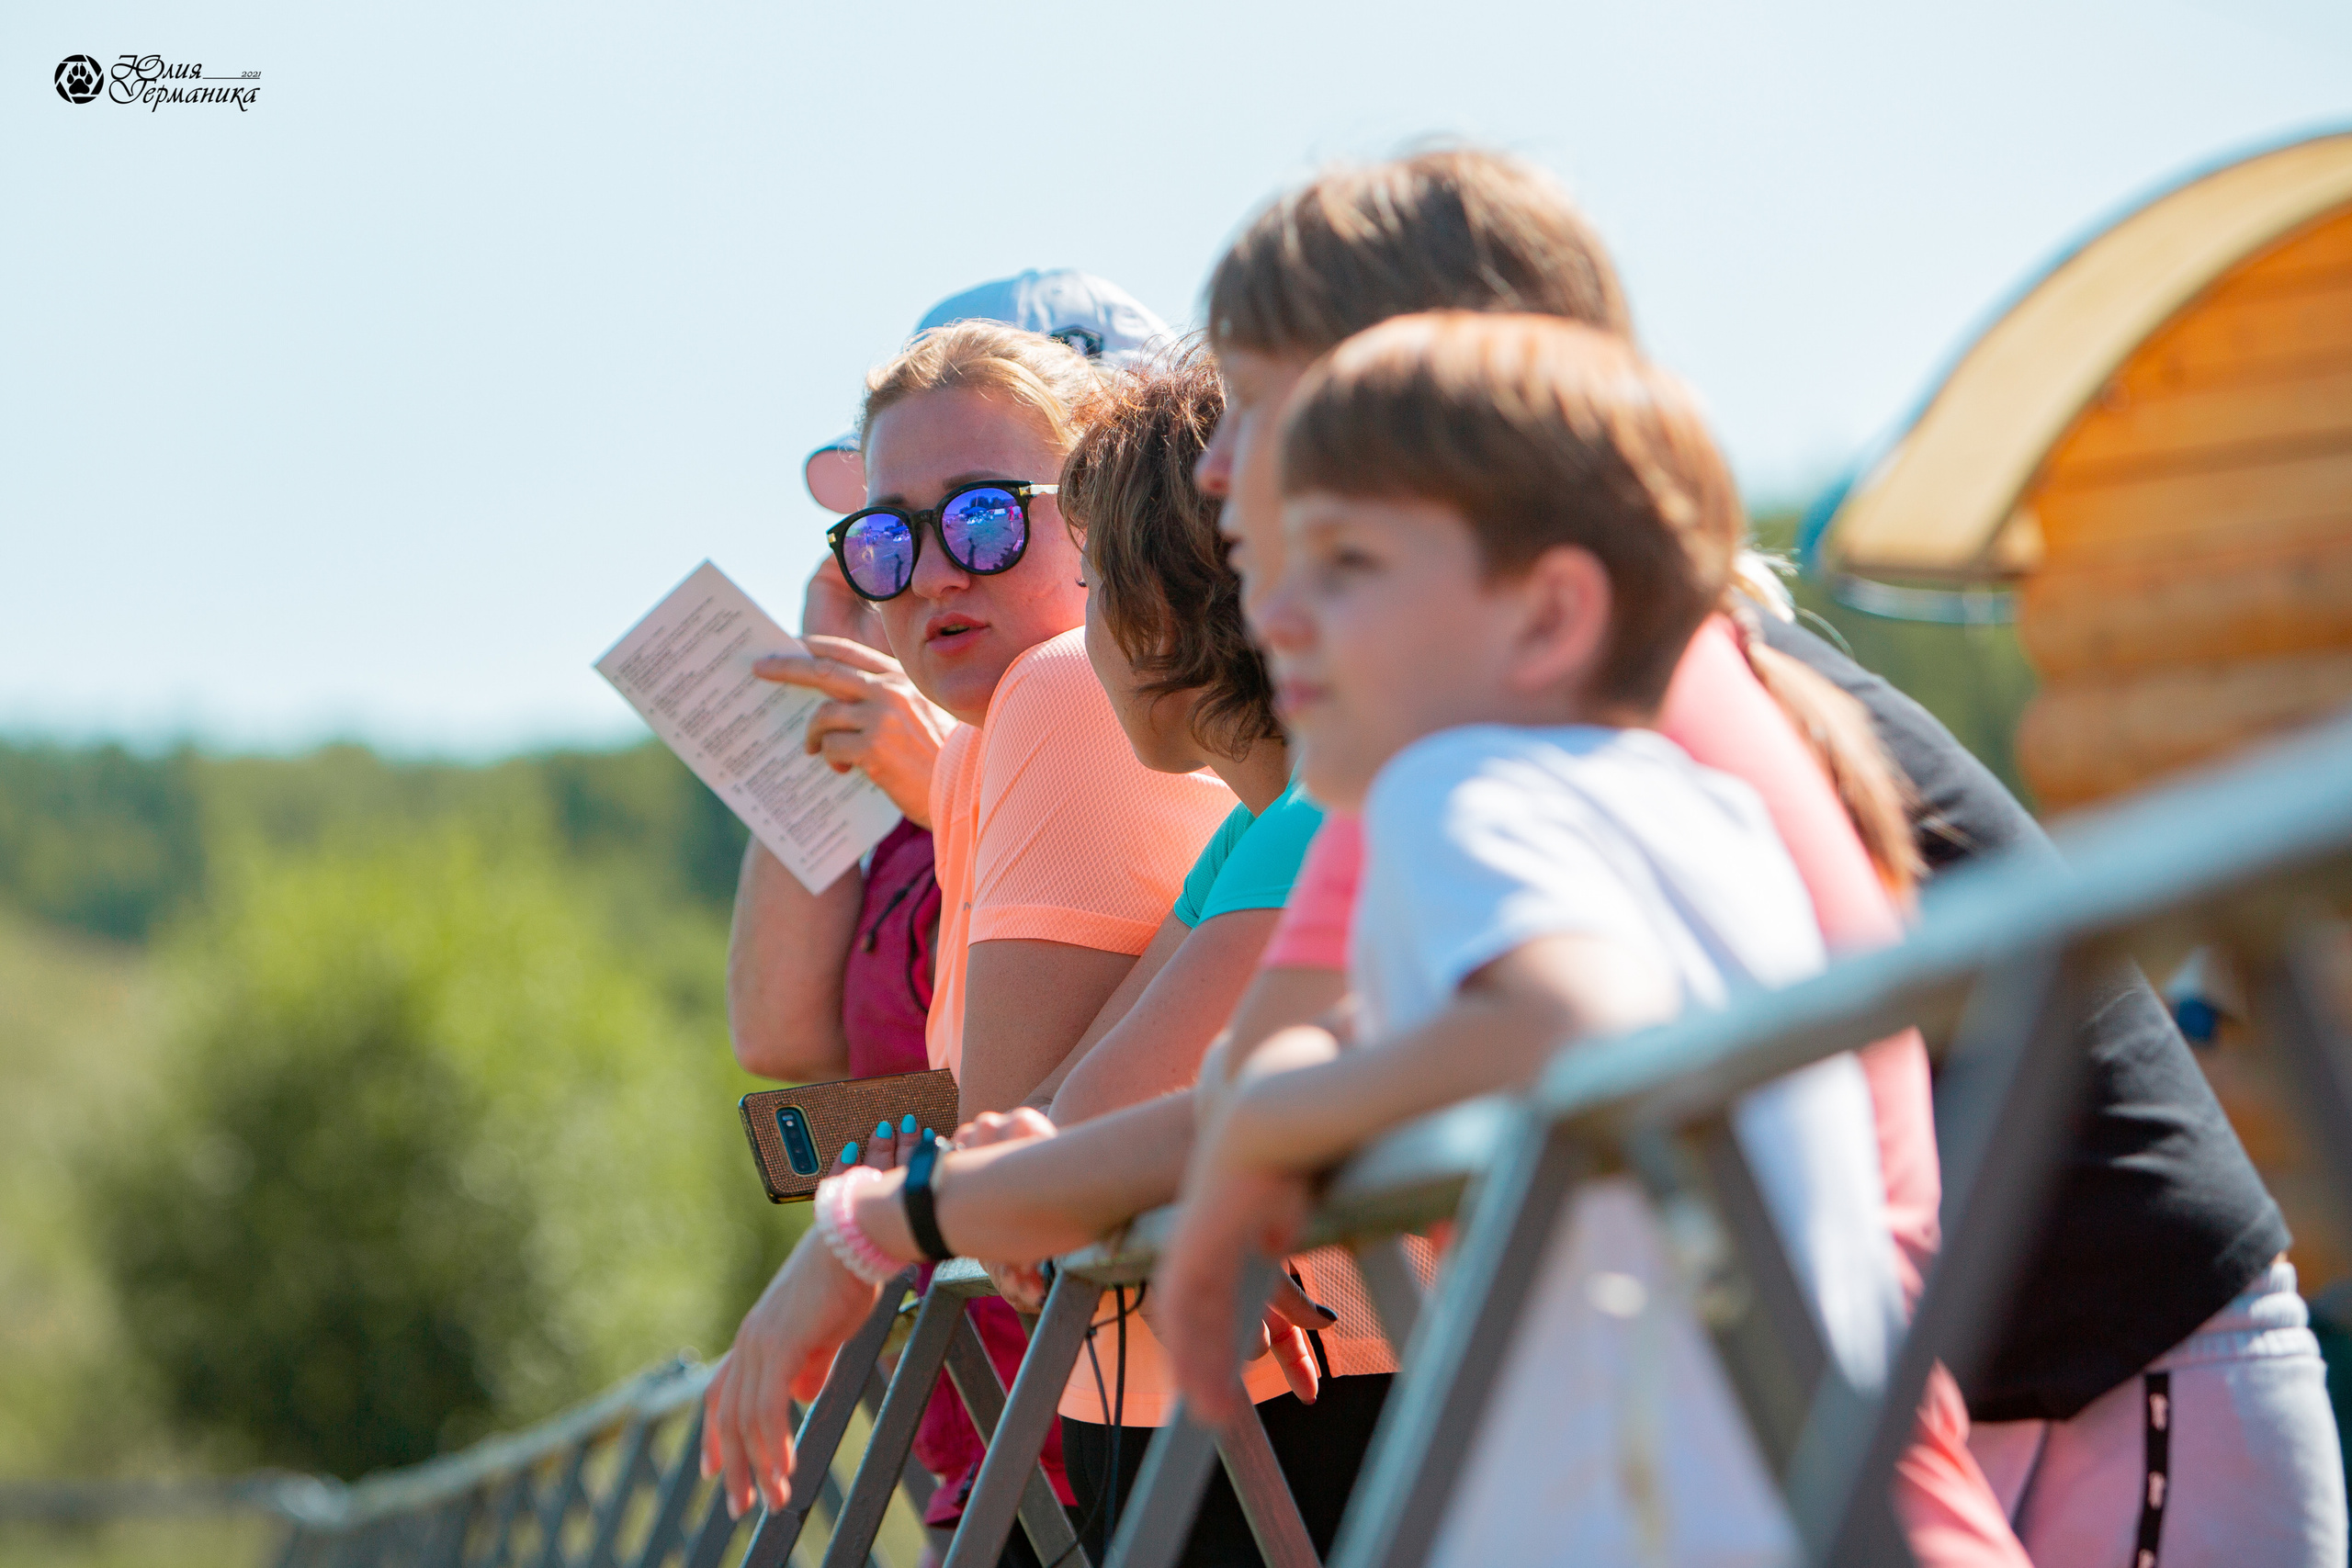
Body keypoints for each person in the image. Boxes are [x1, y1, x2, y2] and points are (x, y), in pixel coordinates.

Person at [706, 318, 1241, 1523]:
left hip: (1136, 1444)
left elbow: (1019, 1151)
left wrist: (858, 1223)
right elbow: (786, 1047)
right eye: (881, 545)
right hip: (1083, 1436)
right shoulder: (991, 756)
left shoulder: (1060, 704)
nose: (936, 573)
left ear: (1107, 503)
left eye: (990, 518)